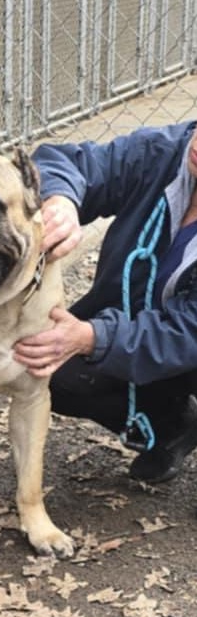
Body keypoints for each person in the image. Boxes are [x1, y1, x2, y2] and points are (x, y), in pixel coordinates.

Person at [13, 121, 197, 483]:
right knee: (57, 369)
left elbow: (188, 330)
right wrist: (61, 199)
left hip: (188, 338)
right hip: (151, 331)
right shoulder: (163, 153)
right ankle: (173, 425)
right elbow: (73, 162)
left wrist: (96, 337)